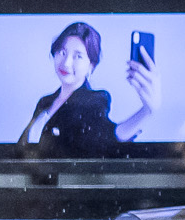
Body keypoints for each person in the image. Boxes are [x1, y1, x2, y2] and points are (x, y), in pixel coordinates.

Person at [14, 21, 126, 158]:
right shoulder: (45, 102)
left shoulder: (95, 101)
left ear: (91, 65)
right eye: (62, 52)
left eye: (78, 56)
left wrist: (147, 110)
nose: (66, 63)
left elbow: (109, 133)